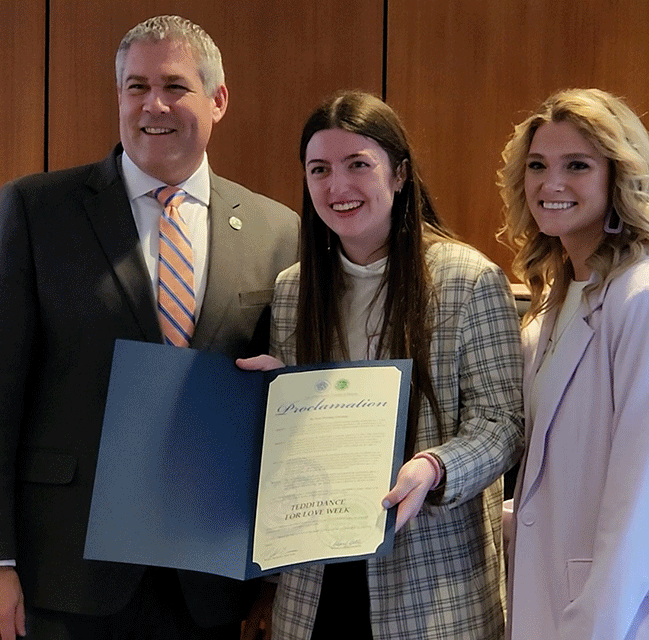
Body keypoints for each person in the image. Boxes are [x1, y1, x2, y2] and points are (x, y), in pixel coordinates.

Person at [0, 15, 299, 640]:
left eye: (174, 86)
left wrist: (273, 580)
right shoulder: (37, 211)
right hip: (66, 575)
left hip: (210, 583)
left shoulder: (278, 232)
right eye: (135, 87)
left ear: (218, 100)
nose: (153, 105)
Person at [239, 90, 523, 639]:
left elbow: (503, 425)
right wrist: (275, 400)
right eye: (319, 169)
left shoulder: (469, 280)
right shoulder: (294, 289)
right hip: (315, 582)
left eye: (358, 165)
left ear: (399, 175)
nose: (337, 186)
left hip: (431, 583)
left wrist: (434, 468)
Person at [498, 88, 649, 639]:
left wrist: (589, 628)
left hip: (629, 617)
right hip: (560, 600)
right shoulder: (559, 301)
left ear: (619, 177)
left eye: (576, 165)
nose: (549, 184)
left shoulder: (648, 297)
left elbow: (644, 505)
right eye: (537, 166)